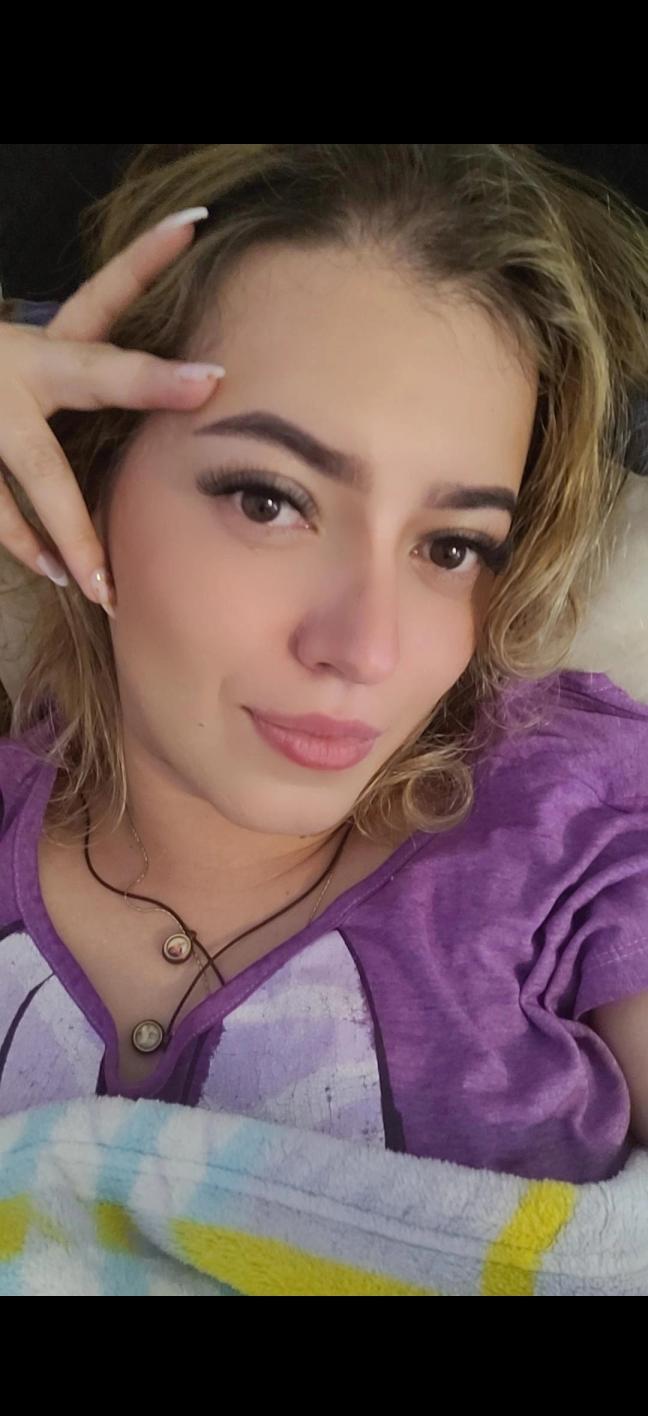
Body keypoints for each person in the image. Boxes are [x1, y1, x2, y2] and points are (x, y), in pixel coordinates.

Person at [0, 143, 647, 1183]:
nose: (364, 650)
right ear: (88, 463)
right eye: (269, 501)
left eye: (452, 547)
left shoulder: (575, 827)